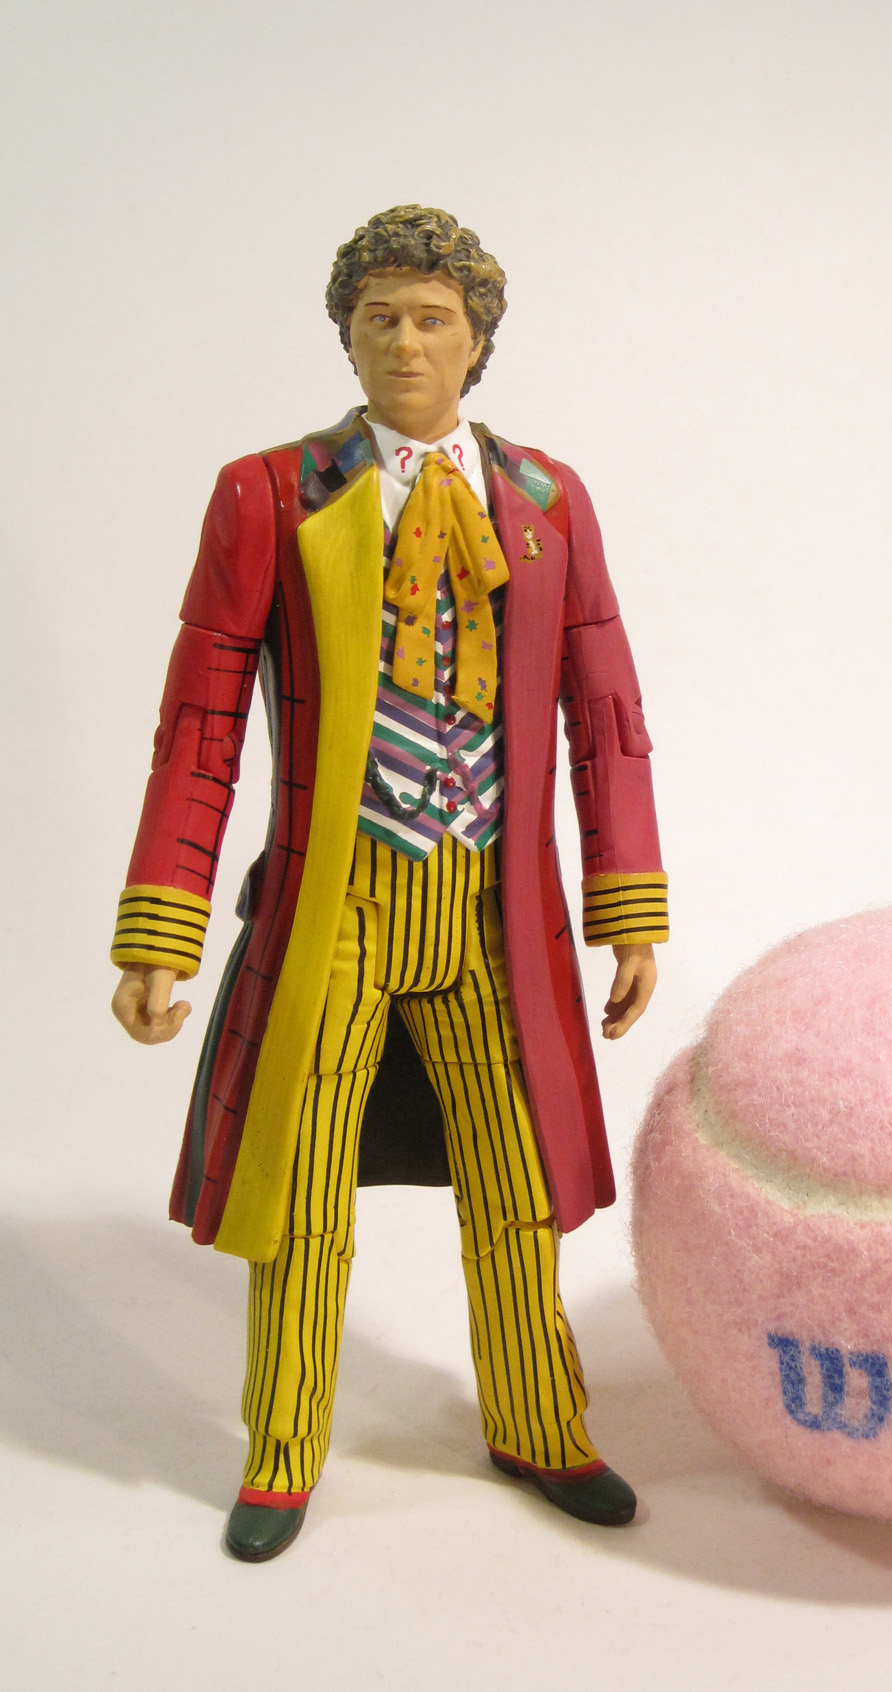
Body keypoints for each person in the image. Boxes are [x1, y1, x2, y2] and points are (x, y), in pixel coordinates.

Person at [109, 205, 668, 1561]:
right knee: (300, 1186)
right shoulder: (270, 494)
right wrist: (161, 924)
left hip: (491, 907)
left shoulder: (546, 501)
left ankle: (538, 1420)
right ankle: (283, 1446)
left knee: (514, 1178)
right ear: (346, 336)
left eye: (432, 319)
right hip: (337, 901)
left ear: (478, 341)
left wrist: (628, 903)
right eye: (380, 319)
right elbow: (200, 722)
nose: (405, 342)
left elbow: (603, 707)